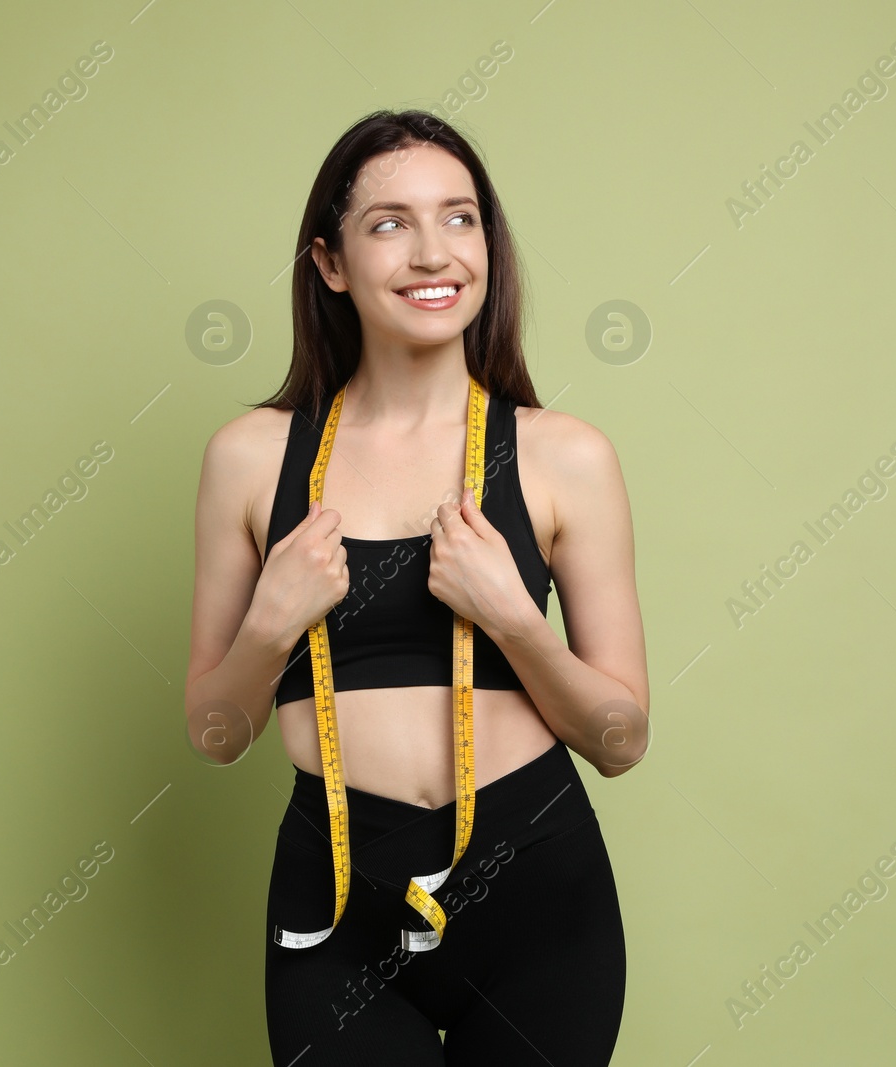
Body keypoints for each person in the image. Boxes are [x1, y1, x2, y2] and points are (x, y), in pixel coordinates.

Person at [184, 109, 648, 1066]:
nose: (434, 251)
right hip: (337, 897)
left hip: (538, 893)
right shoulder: (250, 459)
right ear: (331, 262)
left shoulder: (565, 456)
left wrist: (516, 621)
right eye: (390, 223)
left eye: (461, 217)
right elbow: (215, 734)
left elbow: (622, 740)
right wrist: (269, 629)